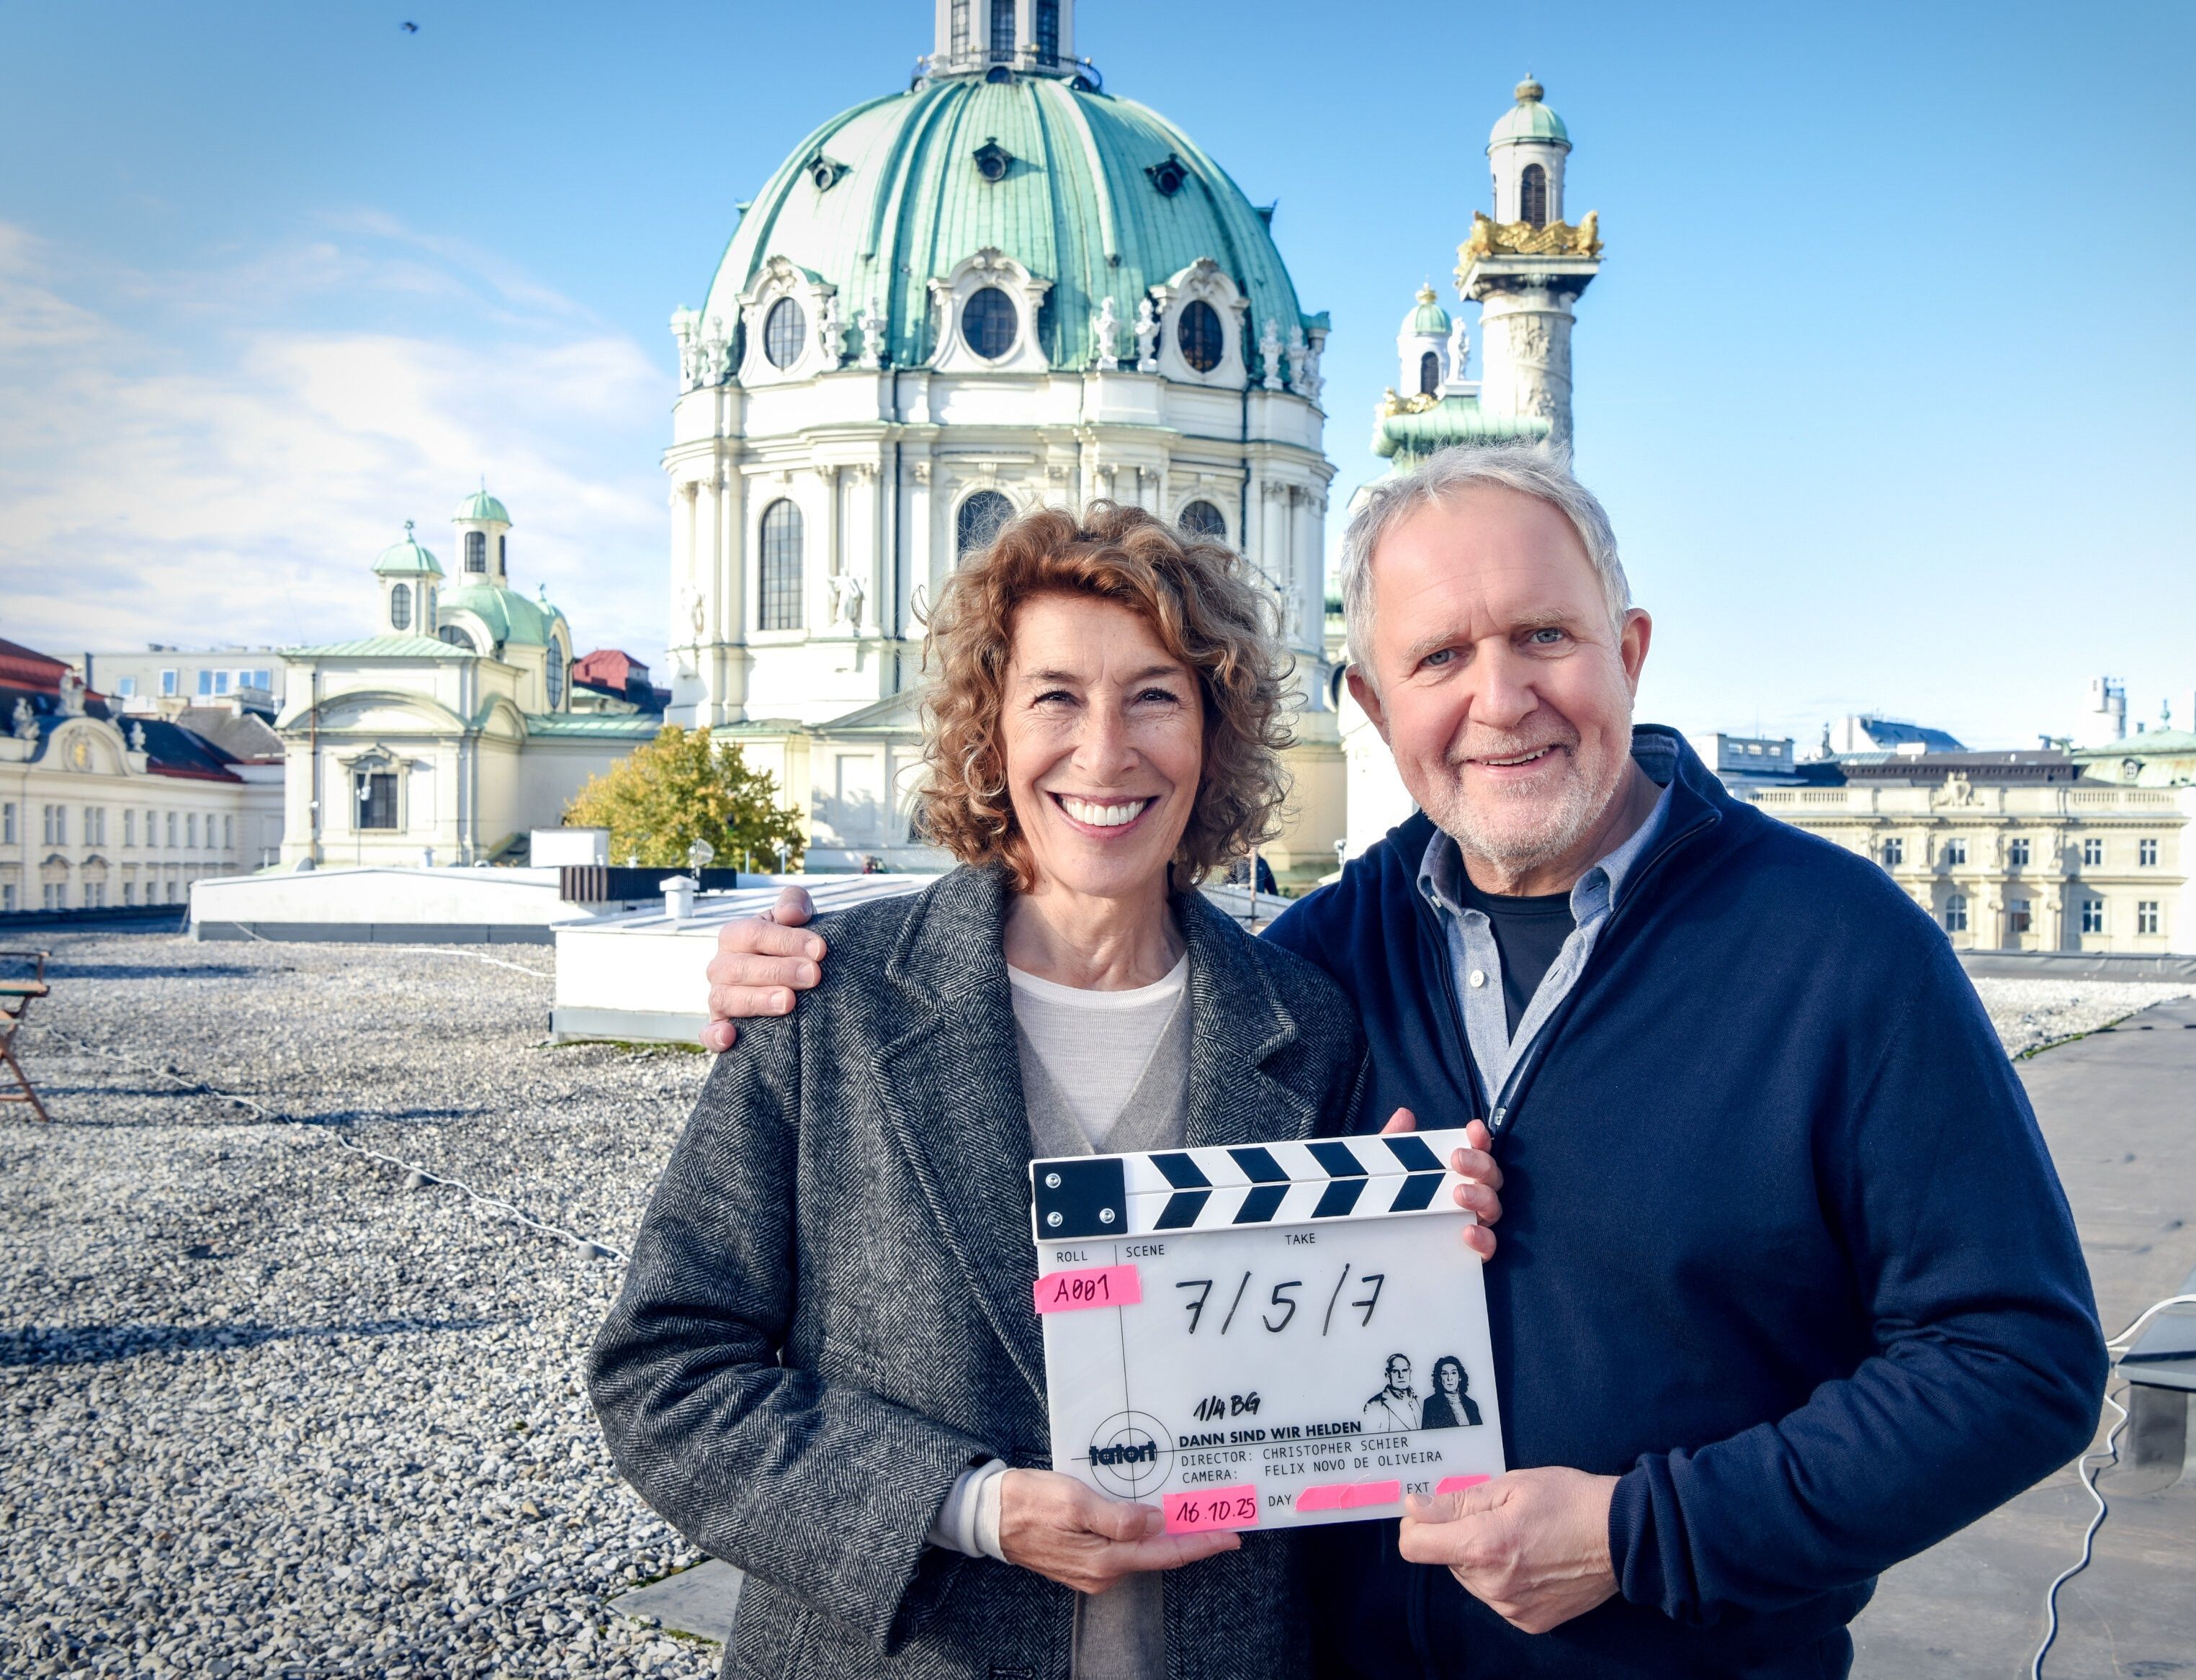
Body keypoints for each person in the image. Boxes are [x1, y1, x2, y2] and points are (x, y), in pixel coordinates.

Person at [703, 447, 2107, 1679]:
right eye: (1440, 657)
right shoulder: (1314, 967)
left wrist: (1643, 1532)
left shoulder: (1844, 947)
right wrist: (795, 989)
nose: (1500, 700)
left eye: (1544, 636)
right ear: (1372, 703)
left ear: (1629, 646)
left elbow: (2019, 1360)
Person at [590, 503, 1502, 1680]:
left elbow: (1345, 1406)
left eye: (1156, 696)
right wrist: (967, 1505)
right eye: (1057, 695)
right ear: (992, 730)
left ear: (1213, 734)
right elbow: (664, 1371)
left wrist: (1415, 1249)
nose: (1106, 748)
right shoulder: (832, 1000)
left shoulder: (1312, 1025)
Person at [1361, 1355, 1417, 1434]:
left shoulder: (1421, 1401)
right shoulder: (1373, 1406)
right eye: (1395, 1371)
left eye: (1405, 1370)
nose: (1401, 1376)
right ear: (1388, 1374)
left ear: (1410, 1372)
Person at [1421, 1355, 1480, 1430]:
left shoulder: (1472, 1404)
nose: (1450, 1378)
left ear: (1460, 1377)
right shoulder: (1430, 1404)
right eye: (1445, 1374)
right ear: (1439, 1378)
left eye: (1454, 1373)